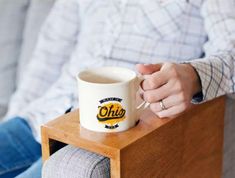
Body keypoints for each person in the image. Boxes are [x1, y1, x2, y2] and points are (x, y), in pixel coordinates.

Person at [0, 0, 235, 177]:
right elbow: (48, 56)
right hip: (43, 115)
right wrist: (15, 116)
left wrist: (193, 76)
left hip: (120, 127)